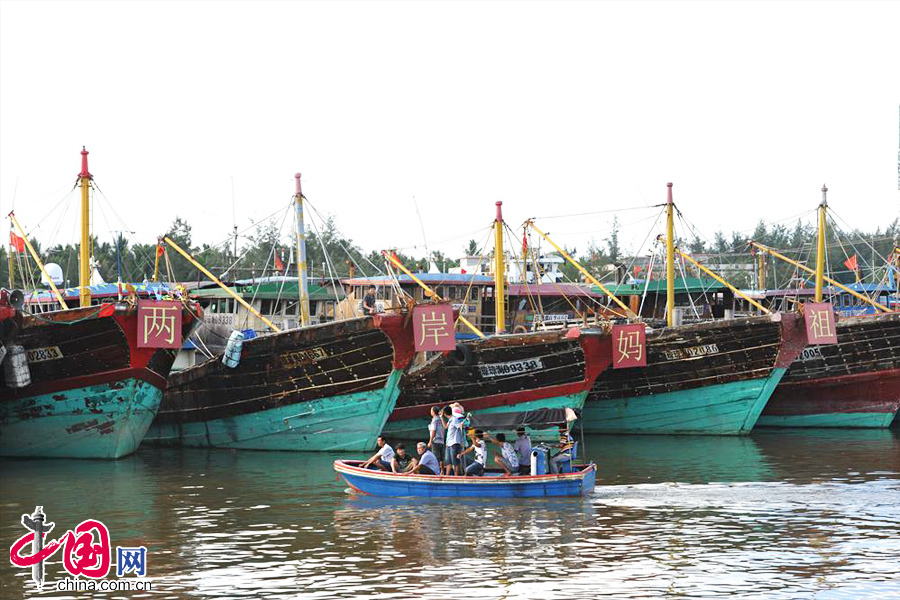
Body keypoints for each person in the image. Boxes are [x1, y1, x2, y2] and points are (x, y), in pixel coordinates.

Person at [444, 403, 466, 476]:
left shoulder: (454, 419)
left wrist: (461, 425)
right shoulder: (450, 420)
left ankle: (456, 475)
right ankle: (447, 475)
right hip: (449, 443)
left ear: (445, 413)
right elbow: (445, 427)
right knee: (448, 461)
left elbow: (459, 427)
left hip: (454, 443)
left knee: (455, 461)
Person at [427, 406, 445, 472]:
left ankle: (436, 471)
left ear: (434, 412)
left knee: (435, 458)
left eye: (431, 410)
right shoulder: (441, 419)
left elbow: (433, 431)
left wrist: (430, 441)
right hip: (442, 441)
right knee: (441, 458)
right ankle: (442, 471)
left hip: (435, 441)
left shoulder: (434, 420)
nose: (430, 412)